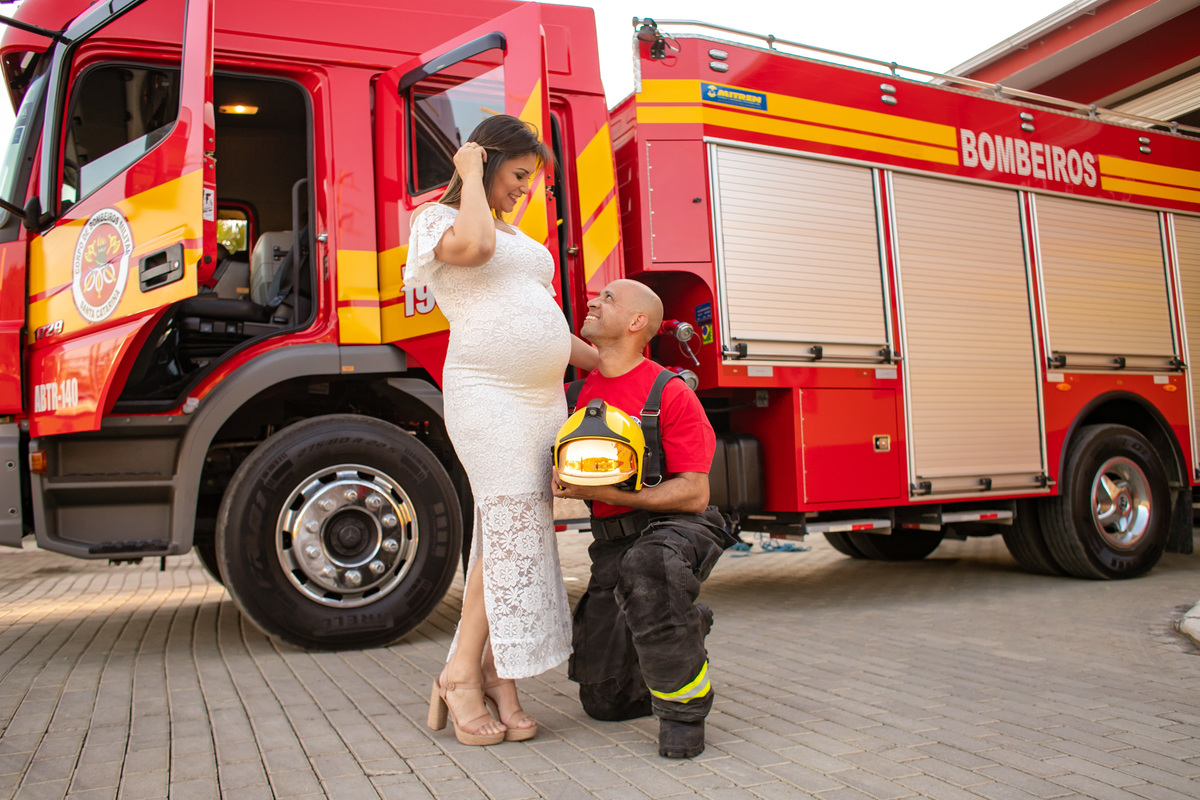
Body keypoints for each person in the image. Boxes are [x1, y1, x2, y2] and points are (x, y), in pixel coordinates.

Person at [405, 115, 598, 746]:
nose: (525, 190)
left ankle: (498, 673)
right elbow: (478, 252)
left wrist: (618, 360)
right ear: (486, 162)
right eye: (518, 175)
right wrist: (464, 171)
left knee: (513, 531)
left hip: (542, 400)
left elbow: (543, 320)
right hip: (488, 396)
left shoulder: (513, 233)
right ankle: (462, 673)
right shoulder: (439, 222)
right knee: (512, 524)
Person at [552, 279, 734, 759]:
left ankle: (684, 714)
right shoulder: (573, 394)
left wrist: (607, 493)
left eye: (608, 298)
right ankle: (681, 624)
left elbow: (695, 492)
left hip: (676, 529)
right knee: (605, 701)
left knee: (649, 568)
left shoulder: (669, 392)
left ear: (637, 323)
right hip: (612, 541)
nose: (593, 300)